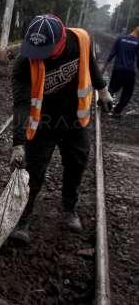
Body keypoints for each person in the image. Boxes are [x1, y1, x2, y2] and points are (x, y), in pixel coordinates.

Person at [9, 14, 113, 244]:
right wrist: (18, 143)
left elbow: (90, 63)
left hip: (75, 119)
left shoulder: (80, 40)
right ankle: (22, 219)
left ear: (61, 39)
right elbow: (22, 104)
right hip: (43, 123)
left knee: (77, 163)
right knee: (33, 172)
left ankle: (69, 209)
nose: (38, 56)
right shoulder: (24, 61)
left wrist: (102, 89)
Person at [103, 24, 139, 118]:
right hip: (130, 72)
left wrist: (104, 67)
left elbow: (112, 53)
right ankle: (117, 111)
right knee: (127, 94)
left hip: (117, 70)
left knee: (112, 89)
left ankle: (105, 106)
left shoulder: (120, 39)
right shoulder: (138, 42)